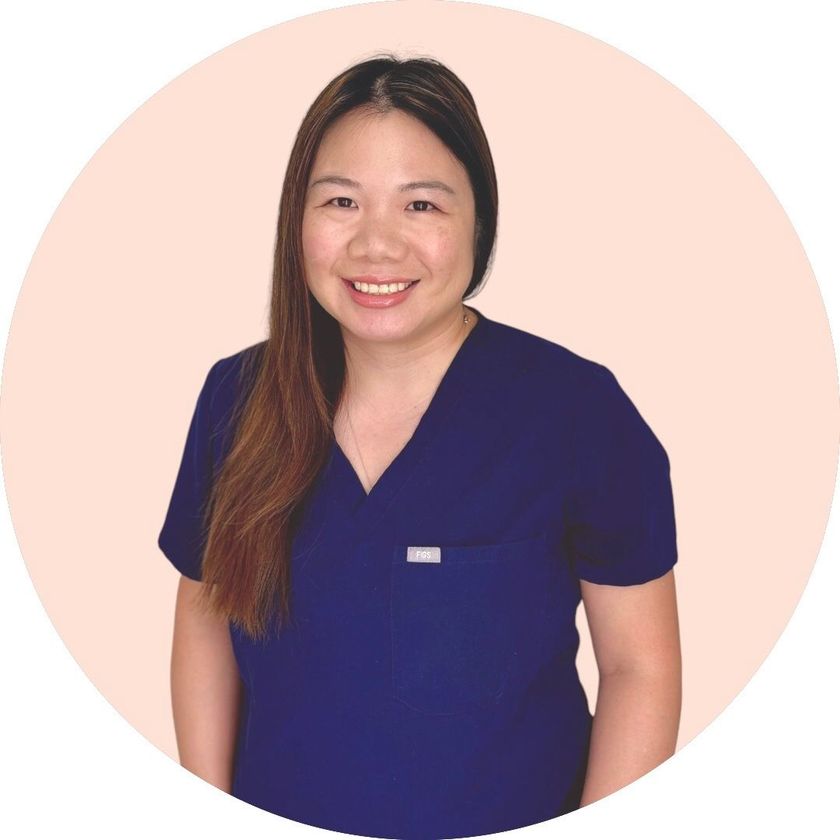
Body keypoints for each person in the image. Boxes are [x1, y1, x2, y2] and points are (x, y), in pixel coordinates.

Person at [157, 53, 681, 839]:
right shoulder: (237, 400)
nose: (377, 246)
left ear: (480, 222)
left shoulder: (577, 412)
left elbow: (641, 668)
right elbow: (205, 616)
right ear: (296, 220)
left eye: (422, 207)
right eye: (341, 201)